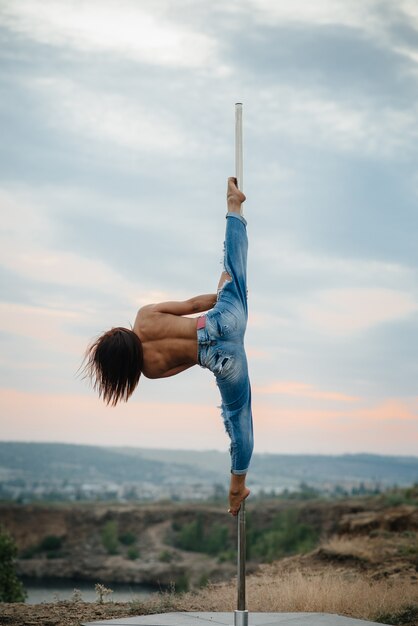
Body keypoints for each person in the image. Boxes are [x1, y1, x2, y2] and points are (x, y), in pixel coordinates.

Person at [84, 177, 253, 516]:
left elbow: (194, 360)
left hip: (220, 357)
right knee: (233, 271)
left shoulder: (150, 370)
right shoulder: (144, 315)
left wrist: (213, 352)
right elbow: (192, 305)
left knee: (239, 416)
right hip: (221, 321)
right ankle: (234, 206)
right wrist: (222, 295)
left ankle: (236, 487)